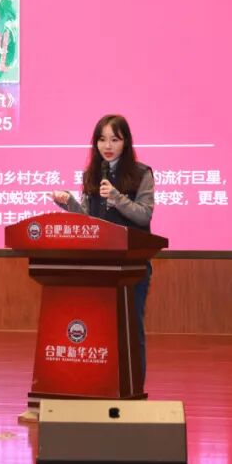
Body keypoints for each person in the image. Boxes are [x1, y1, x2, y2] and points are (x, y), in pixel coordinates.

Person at [52, 114, 156, 381]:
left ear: (126, 142)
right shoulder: (92, 175)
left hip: (132, 266)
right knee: (100, 330)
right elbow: (90, 221)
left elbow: (144, 215)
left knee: (131, 328)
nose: (107, 146)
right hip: (100, 265)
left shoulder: (142, 173)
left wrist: (117, 198)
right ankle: (103, 386)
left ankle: (133, 388)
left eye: (114, 139)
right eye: (102, 139)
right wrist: (69, 203)